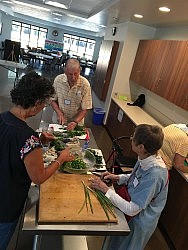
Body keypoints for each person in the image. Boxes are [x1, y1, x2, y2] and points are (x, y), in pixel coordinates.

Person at [0, 71, 74, 249]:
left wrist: (39, 141)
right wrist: (61, 159)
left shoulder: (2, 118)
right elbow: (38, 177)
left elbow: (9, 147)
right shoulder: (28, 137)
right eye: (44, 105)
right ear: (35, 104)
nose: (43, 109)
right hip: (6, 205)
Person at [90, 124, 169, 250]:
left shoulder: (155, 175)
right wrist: (117, 177)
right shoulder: (146, 157)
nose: (131, 138)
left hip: (138, 221)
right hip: (127, 206)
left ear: (141, 147)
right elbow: (134, 177)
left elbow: (133, 209)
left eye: (133, 138)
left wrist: (105, 190)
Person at [51, 58, 92, 130]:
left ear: (80, 70)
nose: (73, 78)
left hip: (77, 122)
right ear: (65, 71)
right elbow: (52, 99)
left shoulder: (85, 84)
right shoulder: (58, 80)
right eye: (70, 74)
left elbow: (85, 108)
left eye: (76, 74)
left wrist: (75, 122)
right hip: (59, 120)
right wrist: (59, 112)